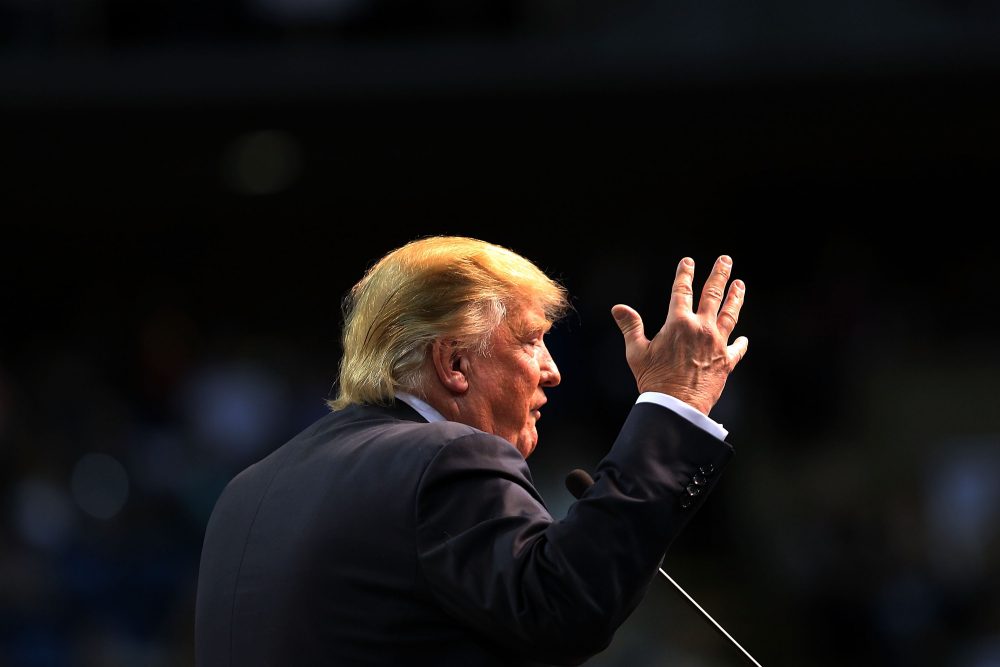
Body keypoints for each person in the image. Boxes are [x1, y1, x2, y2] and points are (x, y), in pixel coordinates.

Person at [194, 235, 748, 666]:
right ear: (454, 364)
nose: (553, 370)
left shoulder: (247, 490)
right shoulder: (447, 456)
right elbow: (566, 608)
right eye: (531, 339)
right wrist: (674, 404)